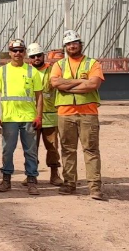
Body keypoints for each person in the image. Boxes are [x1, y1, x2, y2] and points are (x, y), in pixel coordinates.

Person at [50, 30, 106, 200]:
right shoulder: (59, 65)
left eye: (74, 43)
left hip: (87, 113)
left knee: (90, 149)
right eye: (68, 44)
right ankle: (69, 183)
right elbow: (55, 83)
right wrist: (81, 82)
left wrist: (67, 86)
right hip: (65, 113)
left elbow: (93, 84)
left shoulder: (92, 63)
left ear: (80, 44)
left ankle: (94, 187)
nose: (71, 46)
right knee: (67, 149)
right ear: (65, 47)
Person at [0, 39, 44, 195]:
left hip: (28, 117)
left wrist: (39, 116)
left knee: (31, 150)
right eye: (15, 50)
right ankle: (6, 180)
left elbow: (39, 96)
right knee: (7, 150)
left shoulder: (32, 71)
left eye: (21, 50)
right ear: (10, 52)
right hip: (9, 118)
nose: (18, 53)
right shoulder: (2, 71)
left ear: (25, 52)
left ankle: (32, 181)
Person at [27, 42, 62, 186]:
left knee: (52, 147)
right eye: (33, 56)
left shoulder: (52, 70)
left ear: (44, 56)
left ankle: (54, 175)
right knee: (31, 148)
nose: (36, 58)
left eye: (39, 55)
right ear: (29, 58)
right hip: (31, 115)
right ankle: (31, 175)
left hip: (50, 115)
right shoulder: (27, 72)